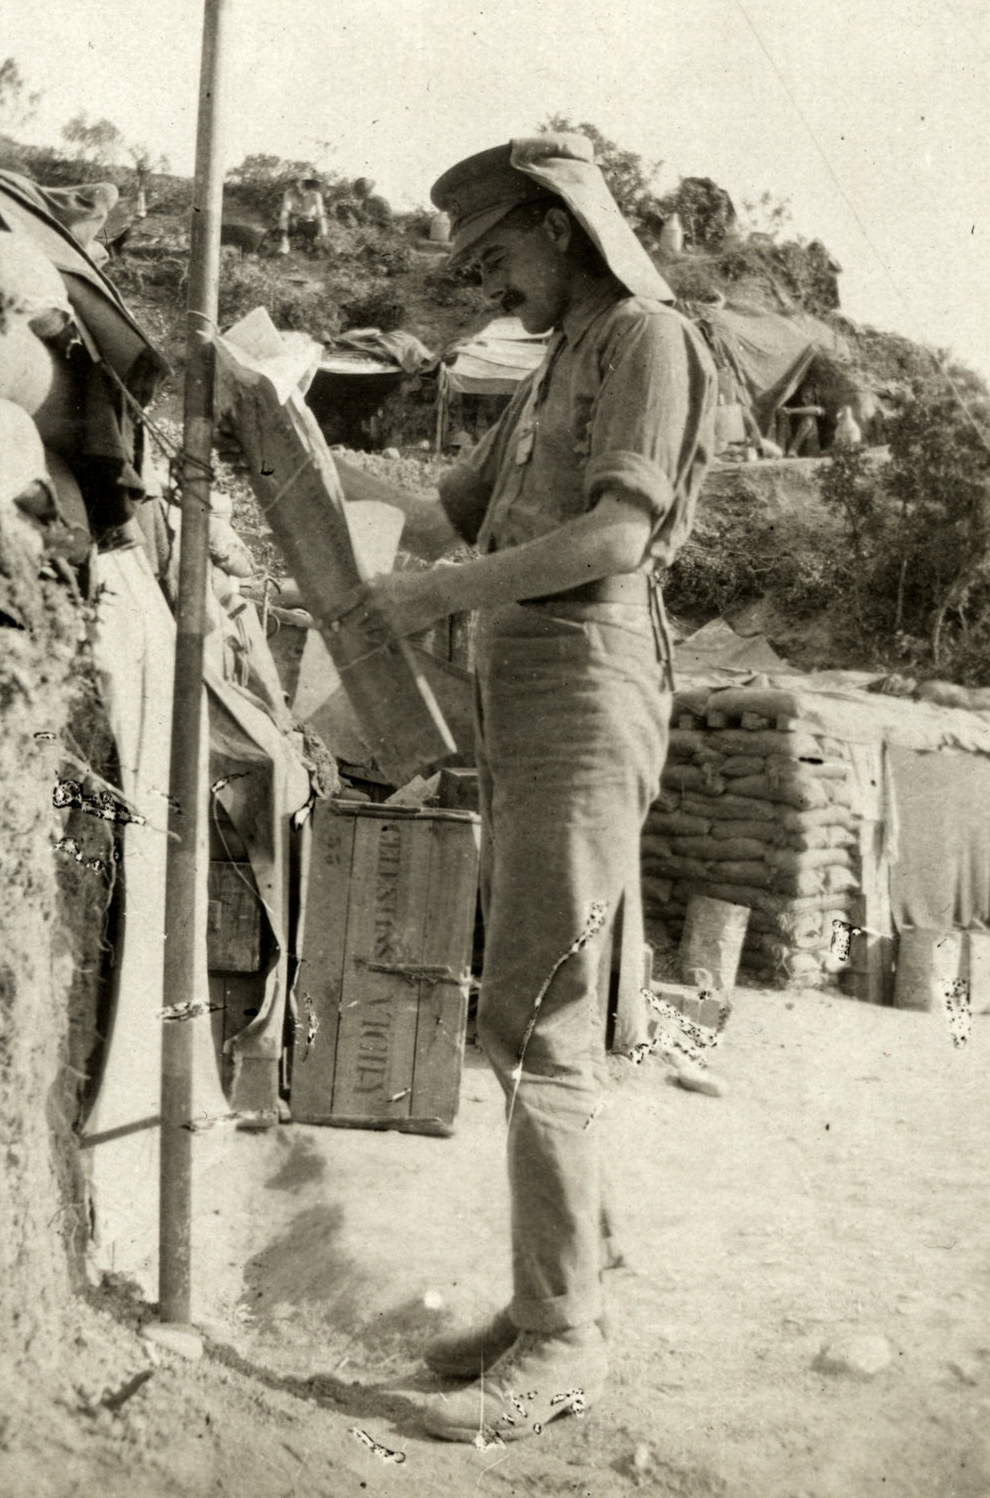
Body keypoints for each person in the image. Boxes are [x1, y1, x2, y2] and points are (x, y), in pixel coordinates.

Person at [333, 132, 717, 1442]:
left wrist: (434, 596)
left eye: (498, 256)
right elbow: (448, 509)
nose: (489, 287)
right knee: (520, 1004)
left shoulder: (646, 340)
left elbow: (615, 533)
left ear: (559, 226)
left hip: (587, 696)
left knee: (545, 1014)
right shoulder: (560, 356)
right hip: (526, 701)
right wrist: (290, 444)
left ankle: (561, 1337)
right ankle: (565, 1282)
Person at [278, 174, 327, 253]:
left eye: (303, 183)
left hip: (311, 223)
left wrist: (312, 216)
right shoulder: (289, 193)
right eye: (297, 183)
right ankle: (284, 241)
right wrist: (299, 214)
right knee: (284, 214)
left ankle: (321, 238)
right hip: (295, 222)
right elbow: (287, 209)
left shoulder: (315, 195)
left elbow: (321, 213)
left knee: (321, 220)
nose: (298, 186)